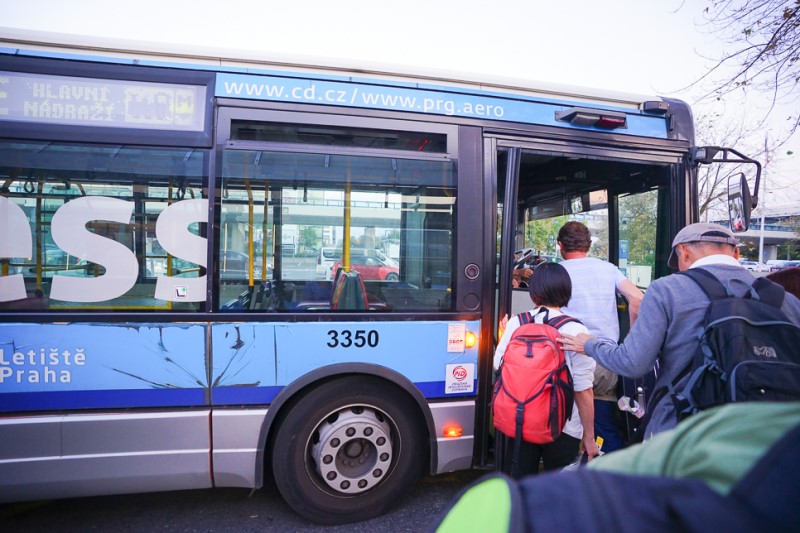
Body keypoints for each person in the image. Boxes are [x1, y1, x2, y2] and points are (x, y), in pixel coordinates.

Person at [559, 222, 800, 439]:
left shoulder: (667, 290)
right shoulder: (785, 300)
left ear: (683, 251)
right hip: (771, 432)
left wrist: (589, 344)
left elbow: (633, 364)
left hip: (683, 432)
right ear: (736, 253)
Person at [494, 262, 600, 474]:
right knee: (558, 491)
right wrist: (589, 437)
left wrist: (503, 335)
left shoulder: (516, 323)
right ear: (565, 291)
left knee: (520, 488)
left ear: (534, 293)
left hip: (520, 420)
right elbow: (583, 389)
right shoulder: (576, 330)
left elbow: (499, 366)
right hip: (563, 427)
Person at [557, 221, 644, 452]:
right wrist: (630, 343)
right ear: (588, 245)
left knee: (565, 424)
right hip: (605, 358)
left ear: (559, 245)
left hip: (568, 356)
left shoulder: (557, 271)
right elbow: (637, 299)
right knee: (603, 423)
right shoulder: (609, 269)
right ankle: (610, 475)